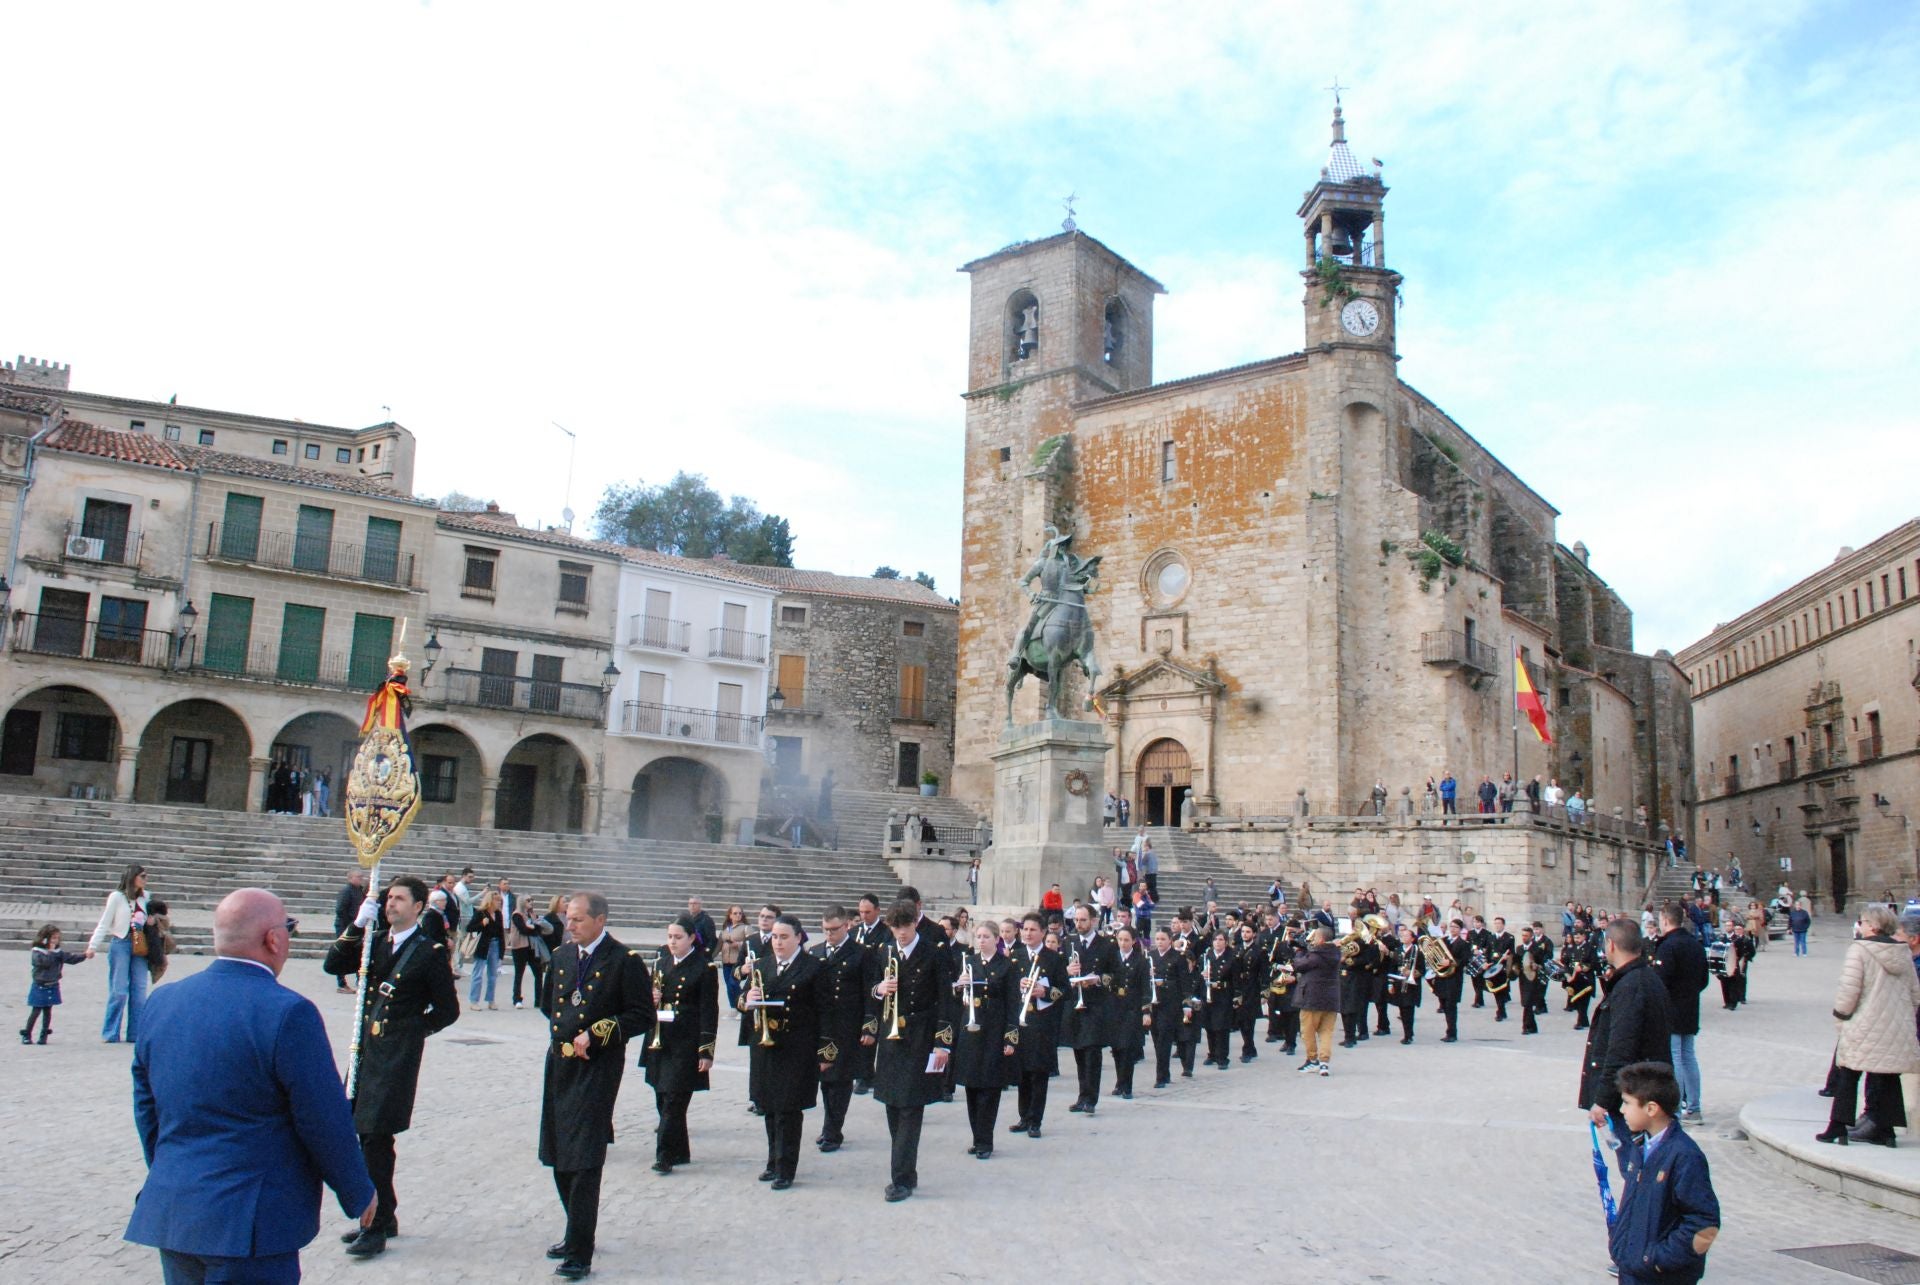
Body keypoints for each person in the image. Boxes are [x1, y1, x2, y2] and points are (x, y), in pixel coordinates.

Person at [128, 888, 375, 1284]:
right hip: (251, 1221)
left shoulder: (163, 1001)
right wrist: (358, 1191)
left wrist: (170, 1172)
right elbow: (323, 1118)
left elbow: (147, 1105)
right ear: (273, 939)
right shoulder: (288, 1012)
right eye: (289, 928)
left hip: (177, 1208)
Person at [322, 874, 459, 1258]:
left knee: (376, 1138)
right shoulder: (373, 941)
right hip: (364, 1051)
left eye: (400, 899)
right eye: (389, 898)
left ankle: (376, 1226)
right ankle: (386, 1213)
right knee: (365, 1136)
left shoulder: (428, 952)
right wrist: (357, 924)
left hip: (396, 1059)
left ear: (418, 907)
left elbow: (448, 1011)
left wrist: (412, 1031)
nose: (391, 904)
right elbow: (333, 964)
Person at [539, 892, 655, 1280]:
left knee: (584, 1156)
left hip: (598, 1068)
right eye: (567, 919)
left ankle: (579, 1251)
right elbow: (548, 1005)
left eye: (577, 920)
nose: (569, 926)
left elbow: (641, 1014)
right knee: (556, 1152)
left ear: (600, 920)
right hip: (561, 1062)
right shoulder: (561, 957)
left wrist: (598, 1033)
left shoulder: (623, 961)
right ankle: (576, 1228)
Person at [867, 899, 958, 1201]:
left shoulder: (933, 953)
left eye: (904, 927)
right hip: (891, 1038)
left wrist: (942, 1043)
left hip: (920, 1037)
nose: (900, 933)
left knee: (909, 1107)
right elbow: (872, 991)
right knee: (892, 1105)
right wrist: (880, 989)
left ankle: (901, 1178)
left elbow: (946, 1001)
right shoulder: (885, 951)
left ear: (914, 924)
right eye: (895, 928)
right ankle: (906, 1167)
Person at [1609, 1061, 1721, 1284]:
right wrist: (1620, 1247)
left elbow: (1705, 1223)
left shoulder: (1685, 1156)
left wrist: (1658, 1260)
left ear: (1651, 1108)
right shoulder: (1639, 1146)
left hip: (1662, 1276)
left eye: (1626, 1103)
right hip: (1632, 1270)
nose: (1621, 1110)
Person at [1817, 905, 1920, 1147]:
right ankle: (1887, 1130)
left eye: (1862, 921)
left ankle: (1838, 1126)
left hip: (1865, 1022)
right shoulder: (1903, 952)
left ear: (1873, 925)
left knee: (1848, 1074)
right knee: (1888, 1075)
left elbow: (1849, 989)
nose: (1860, 925)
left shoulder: (1860, 950)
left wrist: (1841, 1016)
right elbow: (1915, 992)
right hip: (1896, 1026)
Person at [1581, 920, 1675, 1176]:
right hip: (1647, 1087)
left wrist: (1601, 1101)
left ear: (1610, 945)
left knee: (1637, 1171)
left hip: (1635, 1094)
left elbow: (1621, 1048)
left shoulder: (1631, 985)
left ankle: (1639, 1215)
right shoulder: (1645, 978)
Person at [741, 913, 823, 1190]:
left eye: (784, 937)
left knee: (788, 1110)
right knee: (769, 1107)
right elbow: (745, 998)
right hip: (766, 1048)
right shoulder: (762, 965)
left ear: (798, 938)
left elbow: (825, 1011)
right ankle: (772, 1161)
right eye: (775, 937)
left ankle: (786, 1167)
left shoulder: (813, 967)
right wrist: (746, 999)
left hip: (797, 1049)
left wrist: (825, 1052)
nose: (778, 942)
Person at [642, 915, 719, 1174]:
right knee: (662, 1097)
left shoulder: (703, 968)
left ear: (691, 938)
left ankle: (664, 1155)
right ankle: (680, 1151)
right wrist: (650, 999)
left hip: (685, 1042)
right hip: (660, 1038)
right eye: (669, 937)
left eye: (678, 937)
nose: (672, 942)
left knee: (675, 1098)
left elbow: (709, 1011)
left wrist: (706, 1050)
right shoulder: (661, 964)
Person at [951, 921, 1016, 1157]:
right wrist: (960, 987)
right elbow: (957, 997)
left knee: (989, 1088)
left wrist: (1010, 1038)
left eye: (986, 936)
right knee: (971, 1087)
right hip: (971, 1031)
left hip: (994, 1031)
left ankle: (985, 1141)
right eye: (978, 936)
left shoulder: (1007, 966)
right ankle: (977, 1137)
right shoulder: (968, 962)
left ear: (997, 939)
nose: (981, 940)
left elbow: (1013, 1003)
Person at [810, 906, 869, 1153]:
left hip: (847, 1025)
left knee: (840, 1079)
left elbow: (869, 993)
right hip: (822, 1026)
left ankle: (833, 1131)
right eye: (825, 930)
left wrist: (869, 1027)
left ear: (846, 926)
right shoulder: (815, 952)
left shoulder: (861, 954)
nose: (829, 934)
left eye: (834, 929)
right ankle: (829, 1127)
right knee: (825, 1078)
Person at [1006, 912, 1066, 1136]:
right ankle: (1024, 1116)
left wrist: (1046, 992)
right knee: (1022, 1072)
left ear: (1043, 932)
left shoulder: (1054, 958)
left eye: (1033, 930)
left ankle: (1035, 1121)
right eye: (1025, 929)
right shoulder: (1015, 956)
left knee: (1038, 1073)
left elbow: (1065, 991)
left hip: (1042, 1024)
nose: (1028, 933)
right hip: (1021, 1023)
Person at [1652, 904, 1709, 1122]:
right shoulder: (1695, 944)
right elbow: (1704, 979)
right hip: (1690, 1007)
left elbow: (1660, 981)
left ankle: (1674, 1107)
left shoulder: (1668, 946)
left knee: (1675, 1057)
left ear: (1665, 920)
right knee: (1688, 1056)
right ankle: (1694, 1106)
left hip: (1671, 1009)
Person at [1061, 905, 1117, 1111]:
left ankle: (1091, 1098)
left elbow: (1115, 974)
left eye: (1083, 920)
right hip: (1075, 1002)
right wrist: (1067, 971)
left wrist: (1098, 980)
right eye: (1076, 920)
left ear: (1093, 921)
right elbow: (1060, 973)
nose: (1078, 924)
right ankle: (1082, 1095)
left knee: (1092, 1051)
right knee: (1079, 1051)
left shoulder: (1107, 944)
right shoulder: (1069, 942)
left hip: (1095, 1004)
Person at [88, 863, 150, 1043]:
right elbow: (105, 922)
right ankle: (110, 1032)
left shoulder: (146, 897)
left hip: (140, 944)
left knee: (139, 991)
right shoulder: (116, 897)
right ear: (133, 878)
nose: (146, 880)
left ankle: (135, 1033)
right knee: (119, 990)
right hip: (120, 943)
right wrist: (93, 945)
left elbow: (151, 921)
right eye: (143, 876)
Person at [23, 923, 88, 1045]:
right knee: (36, 1010)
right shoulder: (38, 952)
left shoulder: (58, 953)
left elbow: (71, 959)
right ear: (45, 939)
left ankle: (44, 1034)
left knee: (48, 1010)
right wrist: (50, 952)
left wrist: (84, 955)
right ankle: (27, 1033)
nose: (56, 941)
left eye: (57, 938)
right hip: (40, 984)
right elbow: (43, 963)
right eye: (53, 938)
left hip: (52, 984)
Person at [1292, 926, 1341, 1074]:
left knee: (1307, 1031)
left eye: (1315, 937)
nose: (1312, 939)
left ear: (1321, 939)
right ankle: (1324, 1062)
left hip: (1312, 999)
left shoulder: (1316, 955)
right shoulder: (1335, 953)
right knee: (1326, 1032)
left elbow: (1298, 965)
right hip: (1331, 999)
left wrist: (1300, 951)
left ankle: (1312, 1060)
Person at [1430, 919, 1472, 1042]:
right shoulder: (1443, 941)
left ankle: (1452, 1033)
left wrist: (1451, 962)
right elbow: (1434, 955)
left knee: (1450, 1006)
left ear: (1460, 930)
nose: (1453, 929)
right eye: (1451, 926)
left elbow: (1465, 960)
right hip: (1442, 978)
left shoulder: (1464, 944)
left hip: (1454, 978)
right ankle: (1449, 1030)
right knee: (1444, 1004)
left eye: (1456, 927)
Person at [466, 890, 505, 1010]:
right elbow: (469, 927)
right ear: (490, 901)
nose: (499, 902)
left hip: (495, 944)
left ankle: (491, 1000)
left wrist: (501, 952)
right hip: (483, 945)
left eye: (500, 900)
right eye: (497, 900)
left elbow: (501, 933)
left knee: (493, 975)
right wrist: (482, 924)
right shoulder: (481, 913)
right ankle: (474, 1000)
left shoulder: (498, 914)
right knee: (478, 974)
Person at [511, 892, 550, 1010]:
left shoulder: (532, 914)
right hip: (519, 947)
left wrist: (533, 927)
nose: (531, 902)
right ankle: (517, 999)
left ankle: (539, 1000)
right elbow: (523, 929)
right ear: (522, 902)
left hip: (532, 947)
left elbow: (539, 928)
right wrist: (532, 928)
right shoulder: (517, 914)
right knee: (519, 973)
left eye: (532, 900)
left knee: (538, 973)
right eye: (528, 900)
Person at [332, 869, 369, 991]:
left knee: (358, 953)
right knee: (342, 953)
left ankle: (360, 981)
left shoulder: (359, 891)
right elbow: (341, 910)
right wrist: (350, 925)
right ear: (350, 878)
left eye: (361, 876)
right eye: (358, 877)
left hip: (356, 927)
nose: (361, 879)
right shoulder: (347, 891)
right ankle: (341, 983)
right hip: (345, 927)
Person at [1386, 925, 1422, 1042]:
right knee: (1402, 1009)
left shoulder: (1417, 951)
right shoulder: (1398, 950)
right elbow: (1391, 968)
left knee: (1408, 1009)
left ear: (1412, 939)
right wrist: (1390, 984)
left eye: (1406, 935)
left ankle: (1409, 1035)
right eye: (1402, 935)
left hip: (1411, 985)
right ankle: (1407, 1032)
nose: (1403, 937)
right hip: (1399, 983)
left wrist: (1412, 973)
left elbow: (1422, 970)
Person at [1719, 923, 1755, 1010]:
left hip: (1736, 963)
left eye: (1730, 926)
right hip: (1725, 963)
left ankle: (1735, 1001)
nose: (1728, 927)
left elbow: (1744, 952)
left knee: (1735, 982)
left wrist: (1742, 959)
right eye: (1726, 926)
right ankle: (1727, 1001)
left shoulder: (1741, 939)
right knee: (1724, 983)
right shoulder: (1722, 938)